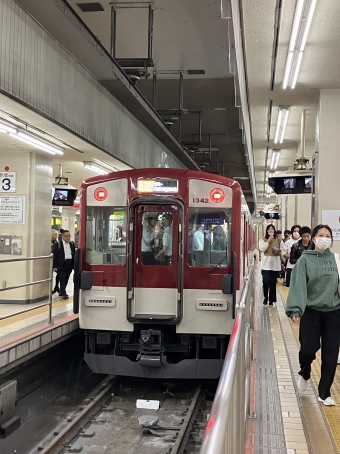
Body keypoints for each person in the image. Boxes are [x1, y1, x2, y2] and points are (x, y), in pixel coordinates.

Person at [285, 224, 340, 406]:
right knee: (308, 349)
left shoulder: (336, 260)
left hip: (334, 312)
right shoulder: (304, 260)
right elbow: (298, 285)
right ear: (314, 238)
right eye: (321, 235)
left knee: (331, 353)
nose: (324, 238)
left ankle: (324, 393)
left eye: (328, 235)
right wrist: (295, 309)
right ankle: (305, 372)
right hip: (311, 312)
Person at [258, 224, 282, 306]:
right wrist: (268, 241)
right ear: (267, 230)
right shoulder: (262, 239)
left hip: (275, 265)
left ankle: (272, 300)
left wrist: (278, 250)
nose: (271, 231)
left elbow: (281, 250)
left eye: (272, 229)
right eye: (269, 229)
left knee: (273, 283)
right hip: (265, 265)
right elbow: (262, 249)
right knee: (265, 282)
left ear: (274, 230)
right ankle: (265, 297)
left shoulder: (278, 240)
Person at [52, 230, 75, 300]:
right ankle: (63, 293)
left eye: (69, 236)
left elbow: (74, 254)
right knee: (62, 278)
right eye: (66, 236)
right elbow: (55, 256)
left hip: (70, 263)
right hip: (61, 264)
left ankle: (62, 290)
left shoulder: (72, 244)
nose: (68, 238)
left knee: (67, 278)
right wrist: (54, 266)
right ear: (62, 237)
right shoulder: (58, 244)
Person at [51, 229, 60, 294]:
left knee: (59, 274)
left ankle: (56, 286)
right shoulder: (50, 243)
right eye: (54, 234)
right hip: (51, 261)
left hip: (56, 261)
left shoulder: (57, 243)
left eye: (57, 234)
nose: (56, 236)